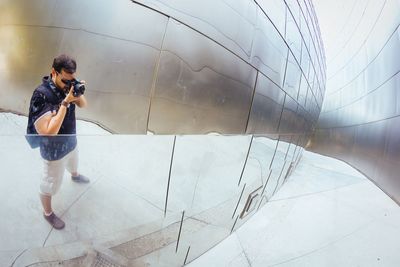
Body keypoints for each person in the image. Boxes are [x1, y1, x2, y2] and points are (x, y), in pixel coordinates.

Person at [27, 54, 89, 230]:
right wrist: (65, 103)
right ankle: (48, 213)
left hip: (71, 142)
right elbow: (48, 132)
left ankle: (75, 175)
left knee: (73, 163)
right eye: (65, 80)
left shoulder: (67, 85)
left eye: (71, 80)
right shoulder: (41, 95)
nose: (68, 84)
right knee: (50, 184)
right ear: (54, 72)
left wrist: (78, 90)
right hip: (53, 151)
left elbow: (83, 105)